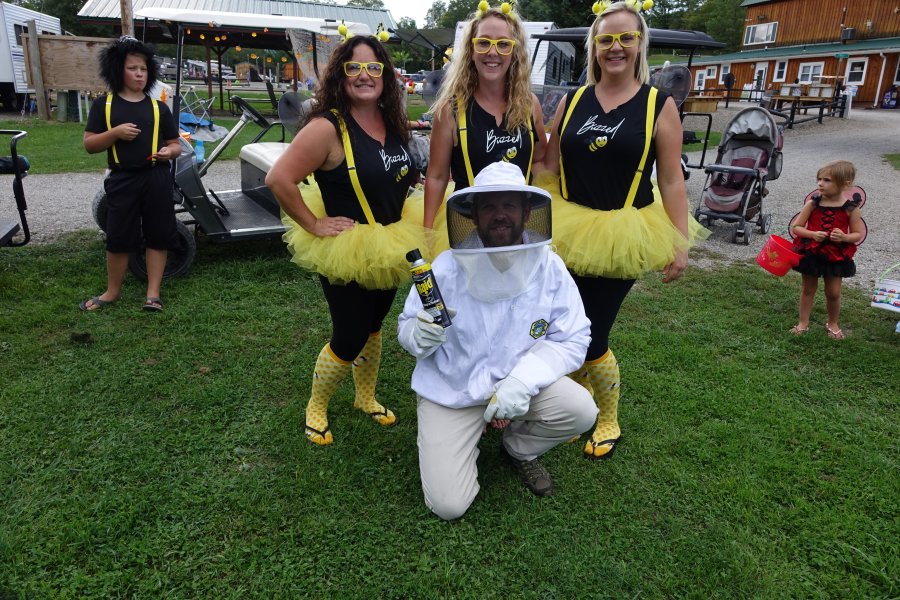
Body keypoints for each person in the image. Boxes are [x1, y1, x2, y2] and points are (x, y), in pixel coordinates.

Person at [538, 0, 708, 459]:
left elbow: (671, 179)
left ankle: (606, 415)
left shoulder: (659, 104)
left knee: (593, 332)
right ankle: (573, 407)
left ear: (639, 45)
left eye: (625, 38)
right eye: (606, 38)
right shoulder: (572, 100)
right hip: (566, 226)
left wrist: (680, 244)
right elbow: (549, 164)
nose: (615, 47)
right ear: (594, 46)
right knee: (559, 326)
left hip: (622, 232)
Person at [398, 161, 597, 520]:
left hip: (520, 385)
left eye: (509, 205)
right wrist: (417, 334)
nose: (499, 215)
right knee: (448, 506)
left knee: (580, 410)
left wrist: (521, 382)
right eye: (489, 206)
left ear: (525, 212)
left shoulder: (550, 267)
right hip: (452, 390)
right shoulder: (444, 266)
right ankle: (459, 436)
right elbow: (407, 325)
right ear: (472, 215)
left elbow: (573, 337)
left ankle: (518, 448)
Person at [266, 35, 424, 446]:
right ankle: (316, 405)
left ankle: (365, 397)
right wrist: (313, 224)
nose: (365, 76)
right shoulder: (325, 127)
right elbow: (278, 179)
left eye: (374, 67)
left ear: (387, 75)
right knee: (349, 335)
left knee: (373, 326)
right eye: (354, 67)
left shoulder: (392, 121)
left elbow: (396, 171)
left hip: (389, 241)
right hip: (349, 249)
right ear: (340, 74)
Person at [423, 2, 547, 230]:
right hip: (468, 228)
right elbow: (437, 177)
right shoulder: (450, 110)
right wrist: (428, 233)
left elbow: (539, 160)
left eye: (503, 44)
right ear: (471, 50)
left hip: (519, 228)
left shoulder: (530, 105)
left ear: (514, 51)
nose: (492, 52)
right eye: (483, 43)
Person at [81, 36, 182, 312]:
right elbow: (89, 144)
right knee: (118, 236)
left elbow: (176, 145)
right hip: (123, 178)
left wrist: (169, 153)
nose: (139, 73)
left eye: (144, 69)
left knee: (158, 234)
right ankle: (112, 292)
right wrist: (114, 134)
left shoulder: (158, 107)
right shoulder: (105, 105)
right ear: (117, 70)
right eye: (132, 68)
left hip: (156, 178)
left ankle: (153, 293)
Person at [789, 160, 863, 339]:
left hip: (836, 255)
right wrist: (813, 234)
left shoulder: (851, 209)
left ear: (845, 183)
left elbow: (858, 234)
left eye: (827, 180)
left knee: (833, 292)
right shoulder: (813, 204)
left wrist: (845, 237)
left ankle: (832, 322)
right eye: (819, 179)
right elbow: (796, 227)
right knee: (808, 288)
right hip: (812, 252)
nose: (820, 183)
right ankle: (803, 322)